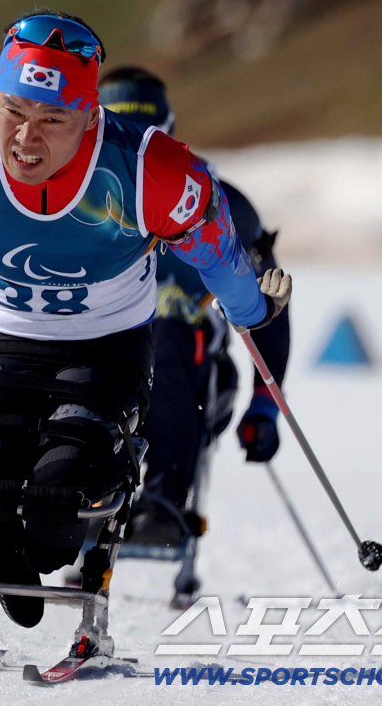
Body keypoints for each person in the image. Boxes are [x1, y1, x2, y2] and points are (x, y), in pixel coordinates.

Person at [0, 11, 291, 629]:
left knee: (61, 504)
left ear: (90, 115)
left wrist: (255, 313)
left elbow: (223, 259)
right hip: (0, 333)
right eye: (13, 110)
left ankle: (48, 555)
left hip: (103, 345)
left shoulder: (152, 171)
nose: (26, 137)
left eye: (52, 118)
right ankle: (11, 581)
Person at [96, 67, 291, 594]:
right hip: (103, 362)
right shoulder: (67, 200)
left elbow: (266, 310)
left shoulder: (218, 202)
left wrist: (264, 406)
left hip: (191, 371)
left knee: (164, 331)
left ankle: (159, 497)